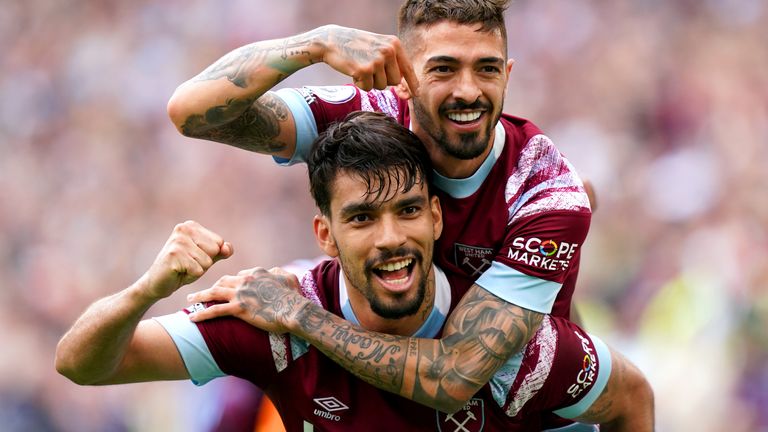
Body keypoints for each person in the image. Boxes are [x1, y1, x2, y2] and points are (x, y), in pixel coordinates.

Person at [56, 112, 651, 431]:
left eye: (409, 210)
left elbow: (632, 399)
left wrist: (304, 320)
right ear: (327, 235)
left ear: (438, 217)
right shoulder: (271, 320)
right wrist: (147, 290)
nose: (391, 238)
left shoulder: (503, 344)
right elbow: (81, 362)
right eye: (363, 218)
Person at [167, 0, 604, 424]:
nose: (468, 90)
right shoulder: (360, 124)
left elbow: (455, 377)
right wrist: (318, 42)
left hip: (514, 416)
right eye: (443, 69)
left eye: (486, 68)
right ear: (403, 78)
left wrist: (297, 314)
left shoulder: (545, 190)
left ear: (507, 76)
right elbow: (191, 112)